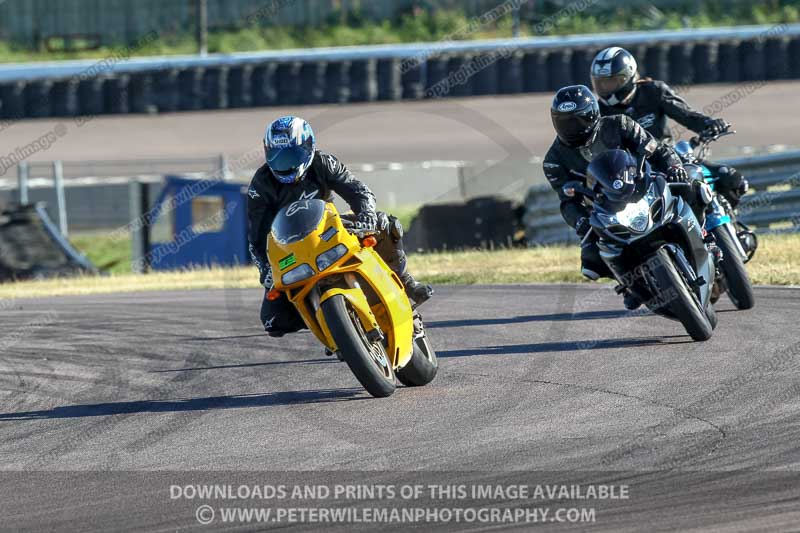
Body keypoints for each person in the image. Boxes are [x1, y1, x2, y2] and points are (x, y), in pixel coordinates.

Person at [247, 116, 433, 337]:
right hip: (290, 246)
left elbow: (358, 190)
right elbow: (256, 239)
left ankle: (406, 282)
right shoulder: (260, 185)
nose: (284, 163)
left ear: (308, 147)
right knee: (273, 322)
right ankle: (328, 321)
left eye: (291, 155)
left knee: (386, 224)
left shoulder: (323, 162)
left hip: (329, 227)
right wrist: (265, 271)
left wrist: (366, 215)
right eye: (277, 156)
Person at [543, 85, 689, 309]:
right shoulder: (553, 160)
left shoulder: (620, 124)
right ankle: (631, 283)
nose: (571, 127)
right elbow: (567, 201)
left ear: (592, 114)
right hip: (605, 209)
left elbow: (655, 148)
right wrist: (581, 223)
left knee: (691, 187)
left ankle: (710, 237)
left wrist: (673, 166)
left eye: (577, 120)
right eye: (564, 122)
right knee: (591, 259)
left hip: (642, 184)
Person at [589, 46, 748, 207]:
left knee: (730, 177)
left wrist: (708, 124)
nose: (606, 88)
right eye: (601, 83)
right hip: (632, 175)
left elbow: (686, 114)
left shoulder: (653, 91)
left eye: (611, 82)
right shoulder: (597, 112)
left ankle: (731, 222)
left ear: (628, 77)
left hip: (670, 159)